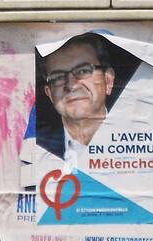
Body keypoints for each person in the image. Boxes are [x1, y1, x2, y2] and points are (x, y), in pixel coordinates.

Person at [29, 33, 118, 168]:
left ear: (108, 80)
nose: (71, 85)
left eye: (83, 71)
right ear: (50, 94)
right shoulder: (34, 147)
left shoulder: (140, 140)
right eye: (58, 77)